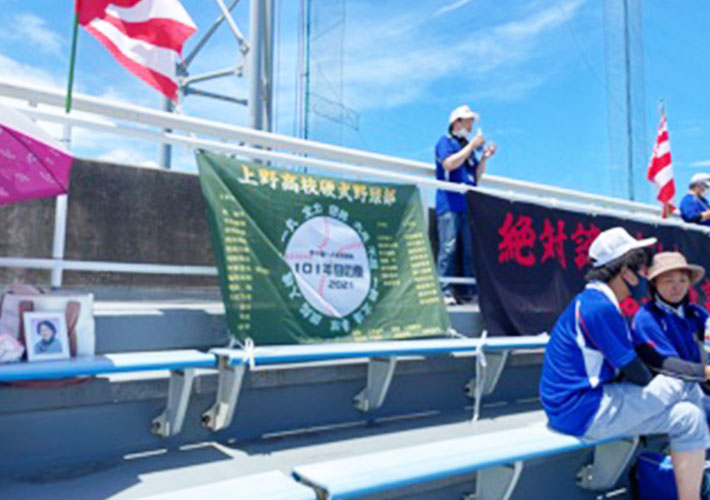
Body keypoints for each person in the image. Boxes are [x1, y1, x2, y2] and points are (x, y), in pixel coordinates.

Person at [539, 227, 710, 500]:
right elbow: (637, 373)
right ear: (624, 271)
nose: (642, 276)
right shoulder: (598, 306)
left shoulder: (598, 300)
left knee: (689, 417)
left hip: (584, 404)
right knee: (681, 385)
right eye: (639, 268)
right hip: (581, 410)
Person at [632, 252, 710, 422]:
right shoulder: (646, 318)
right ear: (654, 283)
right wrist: (705, 372)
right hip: (670, 396)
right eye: (669, 281)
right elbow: (667, 364)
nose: (677, 287)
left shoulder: (696, 313)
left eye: (682, 280)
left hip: (700, 386)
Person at [434, 105, 496, 305]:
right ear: (456, 122)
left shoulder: (466, 148)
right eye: (468, 121)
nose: (471, 126)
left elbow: (476, 176)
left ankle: (469, 291)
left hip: (467, 205)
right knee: (448, 248)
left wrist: (484, 157)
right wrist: (471, 147)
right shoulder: (445, 142)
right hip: (449, 204)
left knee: (469, 251)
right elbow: (449, 164)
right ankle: (444, 290)